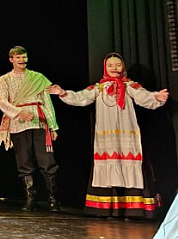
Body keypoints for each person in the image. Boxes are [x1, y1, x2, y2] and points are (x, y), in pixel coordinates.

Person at [50, 53, 169, 218]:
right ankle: (108, 209)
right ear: (105, 68)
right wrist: (63, 93)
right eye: (110, 65)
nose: (114, 68)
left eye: (118, 65)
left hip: (126, 134)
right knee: (108, 166)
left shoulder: (130, 86)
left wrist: (156, 96)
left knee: (128, 165)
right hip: (107, 137)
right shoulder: (99, 88)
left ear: (123, 67)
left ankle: (132, 210)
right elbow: (81, 97)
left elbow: (144, 96)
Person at [0, 45, 60, 211]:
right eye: (18, 57)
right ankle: (30, 200)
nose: (22, 60)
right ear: (11, 60)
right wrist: (19, 113)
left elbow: (47, 102)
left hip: (39, 122)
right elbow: (2, 102)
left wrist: (53, 127)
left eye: (24, 57)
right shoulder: (4, 79)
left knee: (47, 162)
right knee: (24, 162)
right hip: (18, 124)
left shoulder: (38, 77)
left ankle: (53, 201)